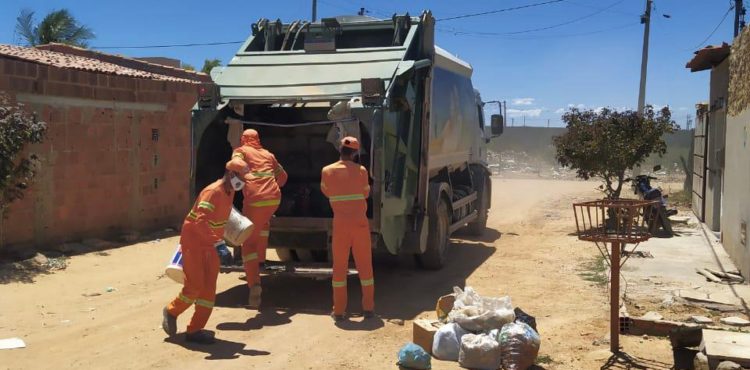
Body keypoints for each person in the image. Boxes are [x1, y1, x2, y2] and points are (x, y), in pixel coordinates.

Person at [161, 159, 247, 344]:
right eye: (242, 177)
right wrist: (220, 245)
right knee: (194, 287)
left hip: (211, 244)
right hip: (195, 243)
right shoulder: (212, 192)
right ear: (231, 174)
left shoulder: (229, 192)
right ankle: (171, 311)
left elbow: (222, 218)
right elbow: (200, 221)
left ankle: (195, 330)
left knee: (209, 290)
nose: (244, 182)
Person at [229, 129, 287, 308]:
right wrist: (270, 187)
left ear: (244, 139)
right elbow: (283, 177)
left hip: (255, 200)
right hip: (274, 199)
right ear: (258, 139)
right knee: (262, 225)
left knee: (248, 243)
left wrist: (238, 168)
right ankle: (260, 261)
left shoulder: (242, 150)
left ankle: (254, 284)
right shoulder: (268, 154)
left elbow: (235, 162)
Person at [320, 136, 374, 321]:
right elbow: (366, 192)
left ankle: (339, 311)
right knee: (365, 266)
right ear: (356, 153)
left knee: (340, 269)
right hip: (359, 224)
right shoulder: (361, 171)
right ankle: (368, 308)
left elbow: (326, 191)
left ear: (340, 149)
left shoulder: (327, 171)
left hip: (341, 225)